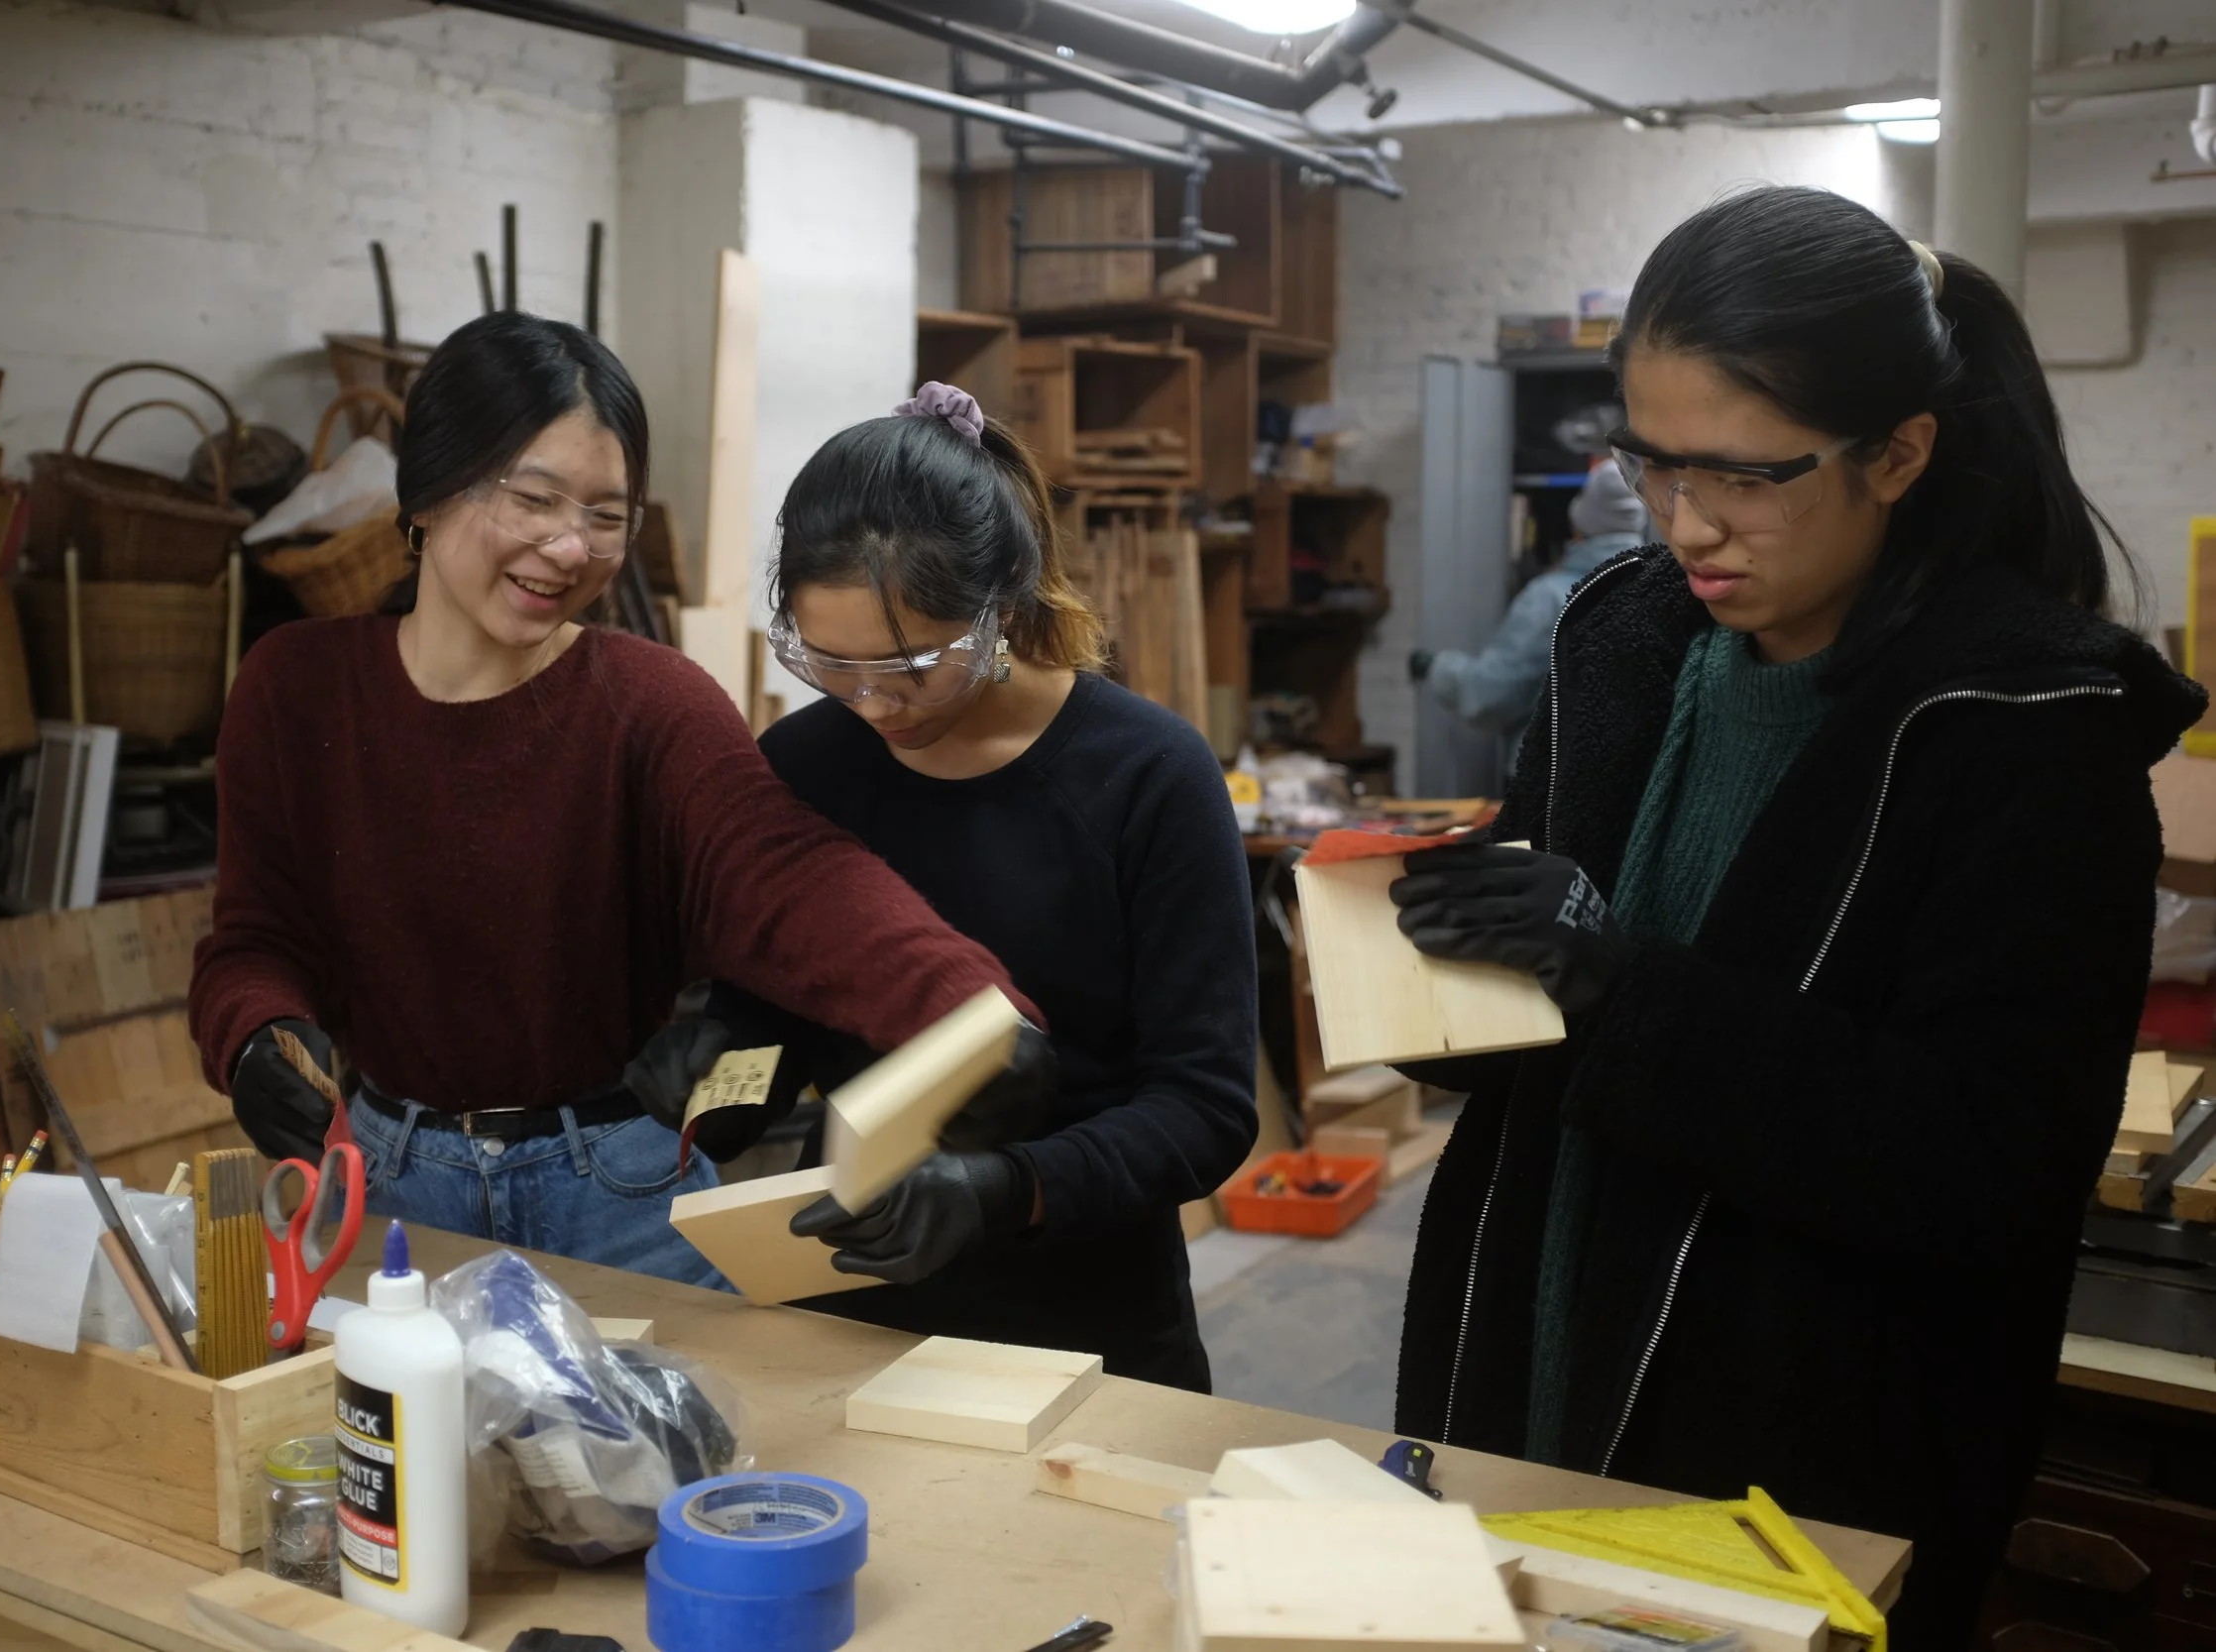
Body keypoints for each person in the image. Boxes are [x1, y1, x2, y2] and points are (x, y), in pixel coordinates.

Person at [1383, 187, 2202, 1646]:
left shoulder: (2022, 732)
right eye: (1652, 463)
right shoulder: (1621, 642)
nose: (1690, 524)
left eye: (1751, 477)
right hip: (1529, 1356)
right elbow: (1533, 1031)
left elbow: (1984, 1169)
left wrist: (1613, 987)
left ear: (1900, 453)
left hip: (1806, 1442)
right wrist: (1448, 975)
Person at [189, 315, 1051, 1287]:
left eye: (606, 513)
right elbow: (255, 936)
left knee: (683, 1439)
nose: (570, 547)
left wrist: (959, 1006)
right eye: (536, 499)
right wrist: (257, 1032)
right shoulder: (295, 689)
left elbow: (783, 876)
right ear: (428, 488)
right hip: (388, 1185)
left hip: (617, 1186)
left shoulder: (650, 702)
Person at [727, 382, 1259, 1388]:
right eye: (830, 666)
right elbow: (775, 1006)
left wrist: (1006, 1186)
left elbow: (1205, 1104)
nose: (874, 704)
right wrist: (724, 1074)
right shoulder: (804, 764)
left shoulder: (1147, 775)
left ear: (1001, 609)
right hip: (849, 1322)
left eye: (914, 666)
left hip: (1092, 1331)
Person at [1407, 458, 1649, 774]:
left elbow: (1493, 694)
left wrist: (1436, 667)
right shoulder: (1657, 590)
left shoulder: (1550, 598)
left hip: (1552, 785)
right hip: (1635, 781)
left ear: (1580, 524)